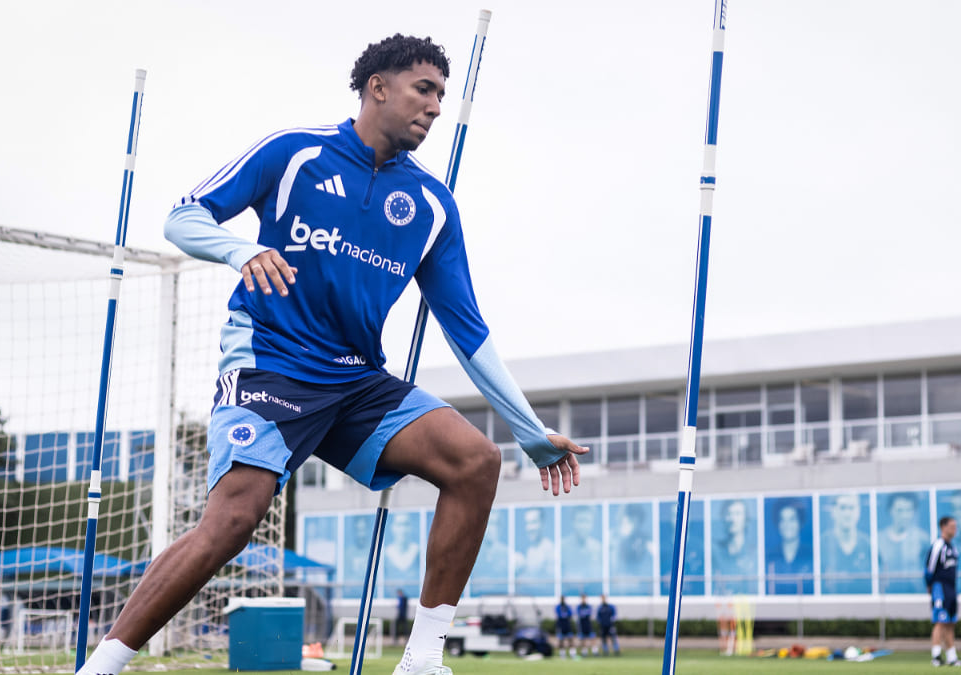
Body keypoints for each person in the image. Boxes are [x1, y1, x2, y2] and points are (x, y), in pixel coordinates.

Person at [74, 34, 587, 675]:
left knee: (475, 461)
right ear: (377, 87)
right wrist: (243, 251)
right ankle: (103, 666)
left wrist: (529, 432)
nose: (434, 108)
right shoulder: (295, 152)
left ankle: (422, 660)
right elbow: (184, 218)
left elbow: (468, 329)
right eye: (422, 90)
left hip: (355, 381)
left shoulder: (432, 206)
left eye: (441, 97)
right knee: (236, 516)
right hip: (272, 360)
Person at [925, 516, 961, 667]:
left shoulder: (953, 548)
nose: (954, 529)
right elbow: (929, 568)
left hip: (951, 589)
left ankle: (951, 657)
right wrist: (930, 586)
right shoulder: (938, 545)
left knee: (950, 623)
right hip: (939, 588)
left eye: (955, 526)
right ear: (943, 527)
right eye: (952, 526)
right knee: (940, 621)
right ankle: (936, 656)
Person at [878, 492, 931, 593]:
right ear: (890, 511)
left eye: (908, 510)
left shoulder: (922, 538)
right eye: (899, 510)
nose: (904, 515)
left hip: (916, 593)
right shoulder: (879, 539)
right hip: (888, 594)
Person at [820, 493, 871, 594]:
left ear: (858, 512)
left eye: (851, 508)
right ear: (833, 511)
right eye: (842, 508)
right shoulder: (822, 544)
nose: (847, 513)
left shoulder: (867, 543)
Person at [764, 498, 812, 595]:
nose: (787, 525)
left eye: (792, 519)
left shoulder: (811, 555)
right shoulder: (768, 556)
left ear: (800, 522)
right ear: (778, 524)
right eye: (783, 520)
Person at [711, 499, 757, 594]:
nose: (732, 519)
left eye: (737, 514)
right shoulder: (716, 551)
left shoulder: (755, 552)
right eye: (729, 514)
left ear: (746, 519)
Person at [514, 507, 555, 595]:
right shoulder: (529, 550)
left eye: (533, 522)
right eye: (527, 523)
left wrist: (520, 579)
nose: (529, 528)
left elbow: (549, 585)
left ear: (543, 524)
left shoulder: (550, 551)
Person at [554, 594, 576, 659]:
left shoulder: (567, 607)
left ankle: (572, 654)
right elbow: (558, 614)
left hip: (567, 625)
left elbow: (570, 614)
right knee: (561, 640)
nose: (562, 600)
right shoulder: (558, 607)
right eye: (561, 599)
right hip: (561, 625)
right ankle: (562, 654)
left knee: (570, 639)